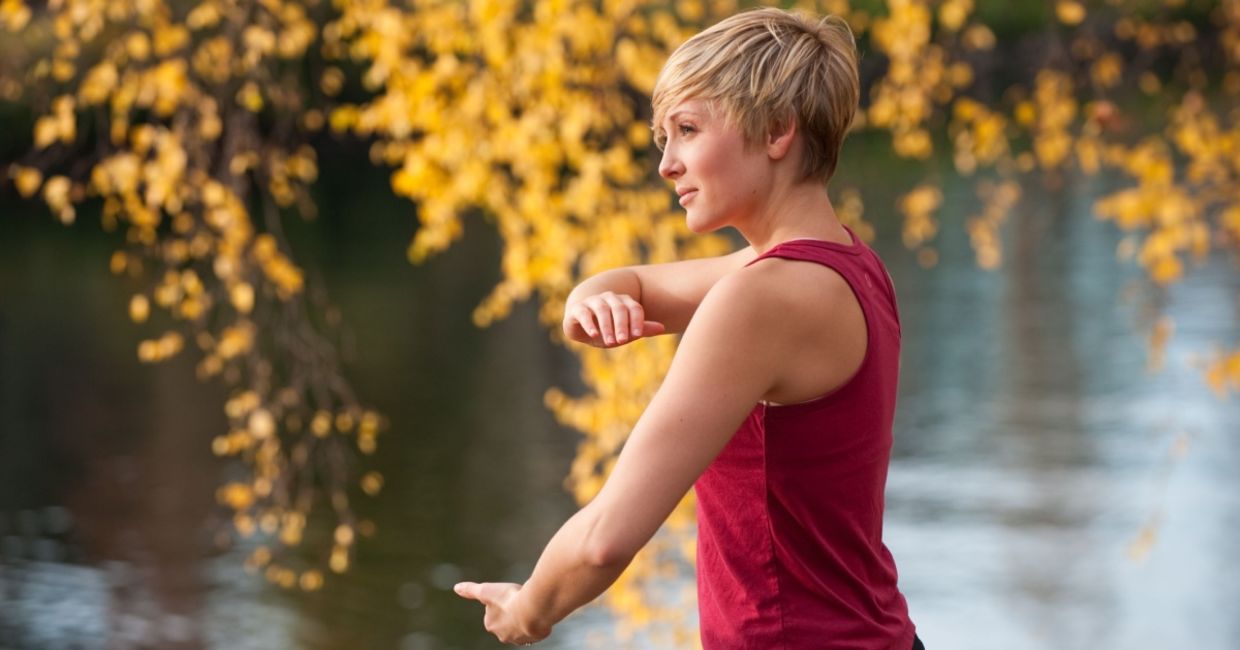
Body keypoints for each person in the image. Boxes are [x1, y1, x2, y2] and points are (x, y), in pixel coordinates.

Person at [455, 7, 923, 649]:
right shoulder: (846, 263)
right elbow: (639, 284)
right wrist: (590, 299)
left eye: (687, 129)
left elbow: (603, 542)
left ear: (779, 130)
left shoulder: (760, 300)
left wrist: (527, 610)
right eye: (663, 139)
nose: (667, 164)